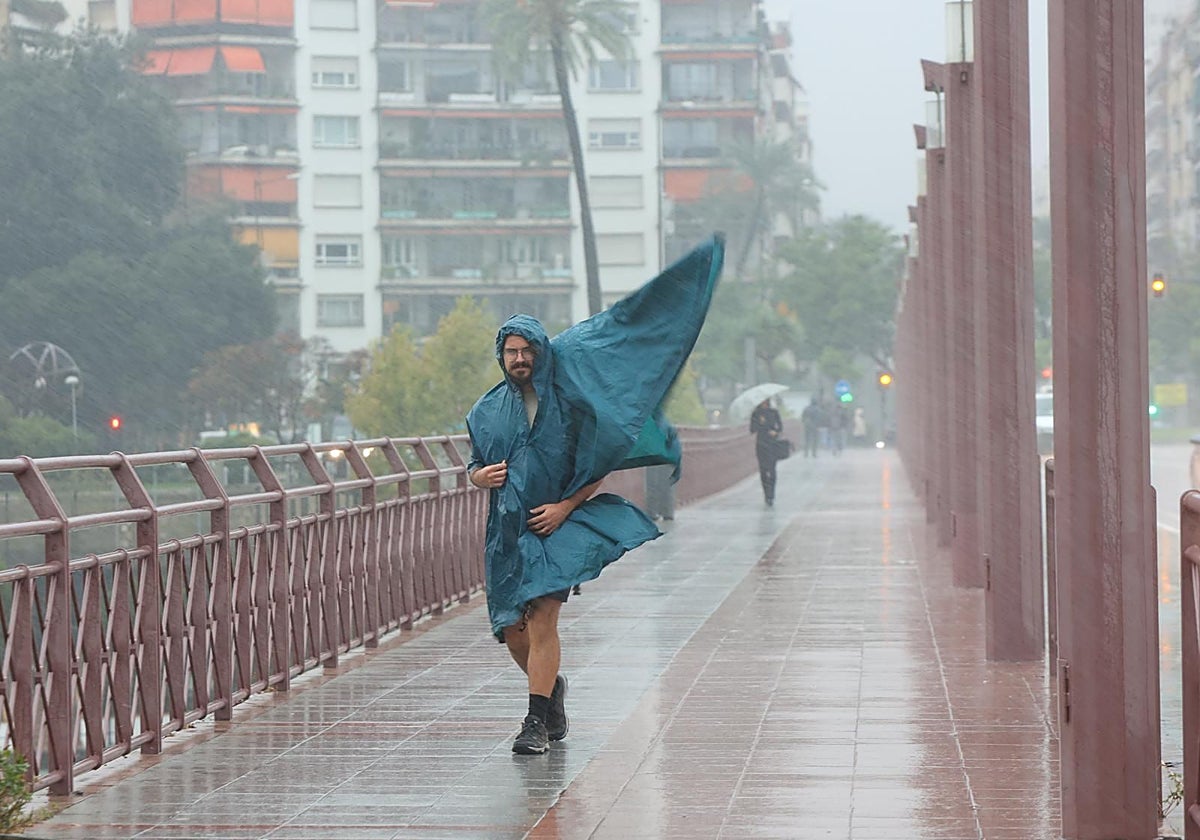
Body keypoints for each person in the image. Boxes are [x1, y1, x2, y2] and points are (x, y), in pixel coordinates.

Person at [466, 236, 725, 756]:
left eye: (527, 350)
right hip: (506, 532)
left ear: (541, 352)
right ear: (501, 356)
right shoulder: (486, 410)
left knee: (542, 618)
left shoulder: (571, 401)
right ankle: (552, 688)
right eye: (511, 351)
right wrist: (480, 478)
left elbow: (598, 461)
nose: (519, 359)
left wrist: (566, 507)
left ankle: (535, 722)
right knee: (511, 630)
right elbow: (474, 464)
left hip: (556, 525)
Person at [749, 398, 783, 505]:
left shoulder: (774, 412)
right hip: (761, 444)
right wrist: (760, 423)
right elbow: (752, 429)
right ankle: (766, 494)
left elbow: (780, 427)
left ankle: (771, 494)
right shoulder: (756, 413)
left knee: (772, 470)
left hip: (773, 443)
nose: (764, 403)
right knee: (763, 471)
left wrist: (776, 432)